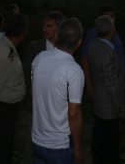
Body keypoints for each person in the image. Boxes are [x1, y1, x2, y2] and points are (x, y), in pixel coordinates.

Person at [31, 17, 85, 164]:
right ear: (79, 42)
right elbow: (73, 114)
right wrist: (78, 148)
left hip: (37, 140)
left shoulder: (39, 58)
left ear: (57, 36)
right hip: (59, 146)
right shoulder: (74, 70)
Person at [0, 13, 29, 164]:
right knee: (0, 150)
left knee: (4, 147)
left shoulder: (6, 45)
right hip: (1, 109)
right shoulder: (4, 52)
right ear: (22, 32)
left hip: (5, 109)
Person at [88, 15, 125, 164]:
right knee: (110, 140)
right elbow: (112, 86)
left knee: (99, 135)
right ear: (112, 30)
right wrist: (121, 109)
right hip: (109, 106)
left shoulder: (93, 45)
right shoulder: (107, 55)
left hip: (99, 100)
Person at [81, 6, 125, 99]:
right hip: (103, 87)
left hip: (118, 84)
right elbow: (84, 58)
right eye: (107, 17)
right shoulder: (93, 34)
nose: (110, 20)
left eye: (112, 16)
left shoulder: (115, 34)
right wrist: (89, 84)